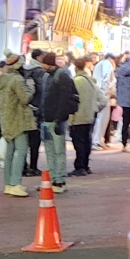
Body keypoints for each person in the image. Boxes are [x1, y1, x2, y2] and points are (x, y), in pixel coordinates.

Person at [0, 53, 36, 196]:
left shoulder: (2, 79)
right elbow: (25, 99)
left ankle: (8, 183)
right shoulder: (17, 79)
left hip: (6, 118)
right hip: (19, 119)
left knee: (9, 153)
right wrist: (31, 88)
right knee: (22, 151)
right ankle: (15, 183)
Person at [39, 50, 78, 191]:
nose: (41, 66)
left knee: (57, 151)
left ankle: (59, 180)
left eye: (43, 64)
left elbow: (64, 99)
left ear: (48, 63)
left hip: (56, 120)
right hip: (48, 119)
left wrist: (59, 117)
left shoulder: (60, 76)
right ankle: (54, 178)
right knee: (51, 151)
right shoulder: (49, 76)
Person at [70, 53, 98, 175]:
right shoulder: (90, 81)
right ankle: (85, 166)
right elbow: (101, 99)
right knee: (87, 141)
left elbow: (73, 100)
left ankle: (80, 166)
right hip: (89, 115)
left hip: (78, 116)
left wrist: (70, 118)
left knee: (79, 143)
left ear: (76, 67)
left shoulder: (76, 81)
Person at [23, 51, 49, 174]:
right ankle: (33, 167)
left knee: (24, 140)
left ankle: (23, 166)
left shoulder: (25, 70)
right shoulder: (39, 71)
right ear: (38, 57)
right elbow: (43, 90)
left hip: (24, 108)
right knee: (35, 139)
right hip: (36, 108)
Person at [93, 51, 118, 146]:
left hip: (100, 93)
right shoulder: (107, 64)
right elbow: (105, 78)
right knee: (102, 118)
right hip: (104, 94)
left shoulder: (100, 64)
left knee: (101, 118)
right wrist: (106, 90)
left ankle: (99, 140)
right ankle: (97, 141)